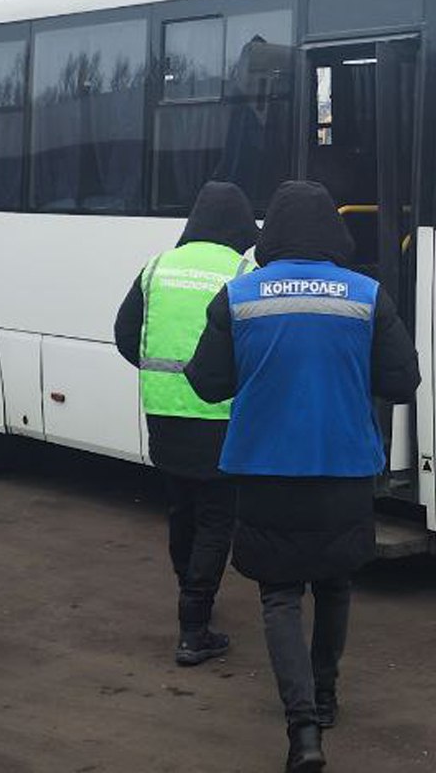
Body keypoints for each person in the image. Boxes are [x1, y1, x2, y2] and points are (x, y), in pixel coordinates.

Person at [185, 181, 420, 773]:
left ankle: (303, 730)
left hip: (264, 468)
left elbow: (206, 382)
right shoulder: (366, 295)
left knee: (280, 595)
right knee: (335, 584)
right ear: (334, 234)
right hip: (344, 467)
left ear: (272, 236)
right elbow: (402, 380)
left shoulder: (239, 296)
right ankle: (327, 695)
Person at [113, 181, 258, 666]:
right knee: (217, 519)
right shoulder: (241, 272)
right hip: (218, 416)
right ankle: (194, 628)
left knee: (181, 509)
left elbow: (124, 334)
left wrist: (160, 373)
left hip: (163, 412)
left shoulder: (157, 267)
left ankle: (189, 592)